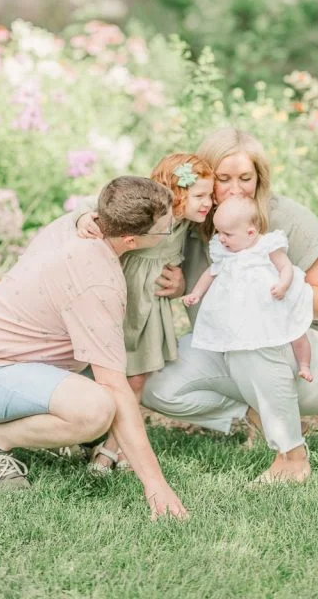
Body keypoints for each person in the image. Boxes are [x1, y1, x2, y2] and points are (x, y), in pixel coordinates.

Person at [0, 175, 188, 519]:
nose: (172, 227)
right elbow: (114, 387)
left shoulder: (81, 222)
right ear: (131, 239)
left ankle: (61, 429)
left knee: (105, 406)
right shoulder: (98, 281)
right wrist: (156, 485)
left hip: (26, 361)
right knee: (97, 410)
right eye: (166, 228)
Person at [141, 127, 318, 484]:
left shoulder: (290, 220)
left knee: (254, 334)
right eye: (223, 179)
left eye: (245, 178)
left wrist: (272, 290)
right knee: (154, 380)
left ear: (260, 179)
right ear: (205, 180)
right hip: (237, 352)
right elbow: (129, 212)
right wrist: (182, 284)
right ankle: (260, 414)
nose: (235, 189)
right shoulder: (196, 222)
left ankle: (293, 457)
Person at [75, 154, 214, 471]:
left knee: (136, 378)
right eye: (200, 195)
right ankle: (85, 433)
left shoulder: (190, 225)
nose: (208, 202)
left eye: (209, 194)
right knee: (99, 371)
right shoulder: (148, 214)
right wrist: (83, 217)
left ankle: (113, 448)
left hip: (150, 305)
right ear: (177, 194)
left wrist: (179, 285)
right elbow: (97, 207)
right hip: (121, 296)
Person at [184, 196, 314, 383]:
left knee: (295, 330)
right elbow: (211, 272)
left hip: (274, 299)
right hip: (249, 307)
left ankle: (304, 365)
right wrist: (196, 293)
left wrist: (283, 285)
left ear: (251, 232)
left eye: (227, 234)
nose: (221, 238)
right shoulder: (225, 251)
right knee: (243, 334)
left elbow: (285, 267)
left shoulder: (267, 245)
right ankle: (241, 372)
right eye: (219, 232)